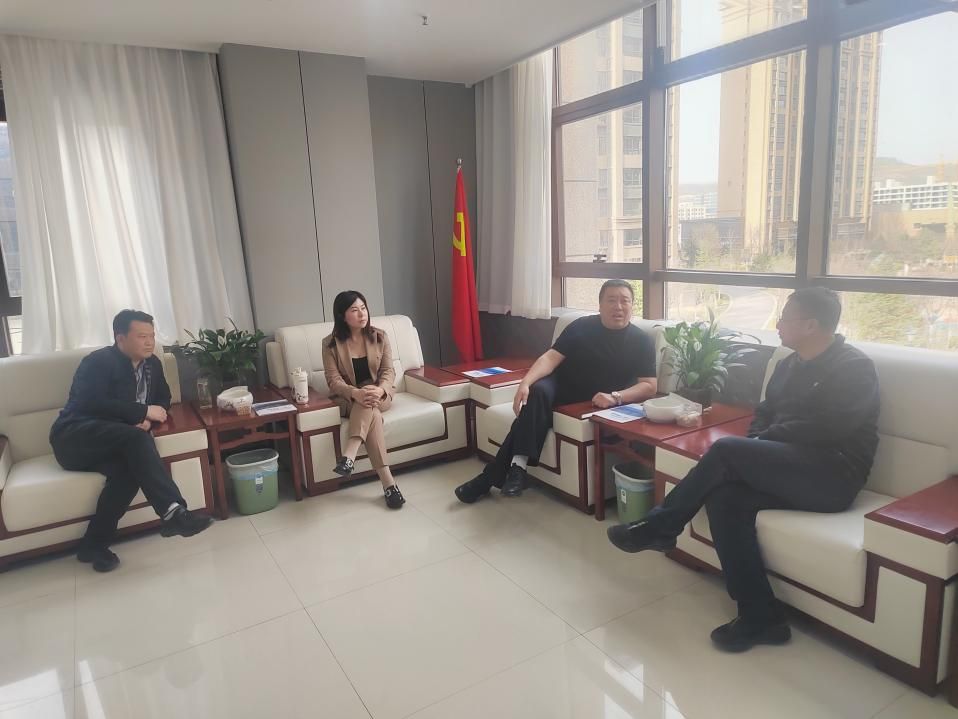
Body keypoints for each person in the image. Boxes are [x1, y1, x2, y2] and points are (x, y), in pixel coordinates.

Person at [608, 286, 880, 652]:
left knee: (727, 450)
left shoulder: (854, 368)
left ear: (811, 325)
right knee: (725, 498)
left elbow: (829, 427)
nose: (778, 324)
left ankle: (661, 526)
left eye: (785, 317)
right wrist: (758, 444)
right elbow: (764, 413)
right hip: (787, 464)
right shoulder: (788, 363)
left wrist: (761, 444)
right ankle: (761, 616)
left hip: (833, 475)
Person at [455, 279, 658, 503]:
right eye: (611, 300)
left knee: (528, 416)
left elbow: (650, 386)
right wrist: (525, 383)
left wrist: (616, 397)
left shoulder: (641, 341)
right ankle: (515, 469)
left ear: (632, 306)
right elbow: (550, 358)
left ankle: (499, 474)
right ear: (600, 305)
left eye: (624, 301)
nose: (618, 306)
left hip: (594, 400)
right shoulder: (581, 327)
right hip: (562, 386)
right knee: (538, 392)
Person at [50, 310, 213, 573]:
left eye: (152, 336)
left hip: (119, 440)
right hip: (74, 439)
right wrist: (142, 412)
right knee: (136, 440)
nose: (149, 342)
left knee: (128, 472)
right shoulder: (98, 362)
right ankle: (173, 512)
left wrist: (147, 421)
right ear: (120, 338)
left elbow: (163, 399)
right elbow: (91, 403)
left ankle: (93, 545)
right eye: (141, 336)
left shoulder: (152, 364)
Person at [322, 290, 405, 510]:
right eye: (354, 310)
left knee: (368, 397)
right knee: (371, 412)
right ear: (342, 316)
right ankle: (389, 485)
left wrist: (380, 389)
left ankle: (349, 455)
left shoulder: (380, 336)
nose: (362, 314)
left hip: (379, 394)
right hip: (349, 398)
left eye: (364, 308)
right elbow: (333, 380)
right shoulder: (330, 344)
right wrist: (354, 392)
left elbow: (388, 371)